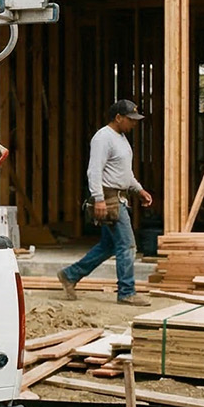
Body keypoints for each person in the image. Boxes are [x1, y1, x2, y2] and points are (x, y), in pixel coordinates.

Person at [59, 99, 153, 306]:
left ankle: (70, 275)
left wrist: (138, 189)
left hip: (119, 197)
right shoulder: (103, 138)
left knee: (108, 246)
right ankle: (127, 292)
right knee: (127, 245)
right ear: (118, 117)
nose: (134, 124)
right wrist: (99, 199)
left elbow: (124, 172)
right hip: (110, 200)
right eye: (131, 119)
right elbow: (94, 170)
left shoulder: (121, 138)